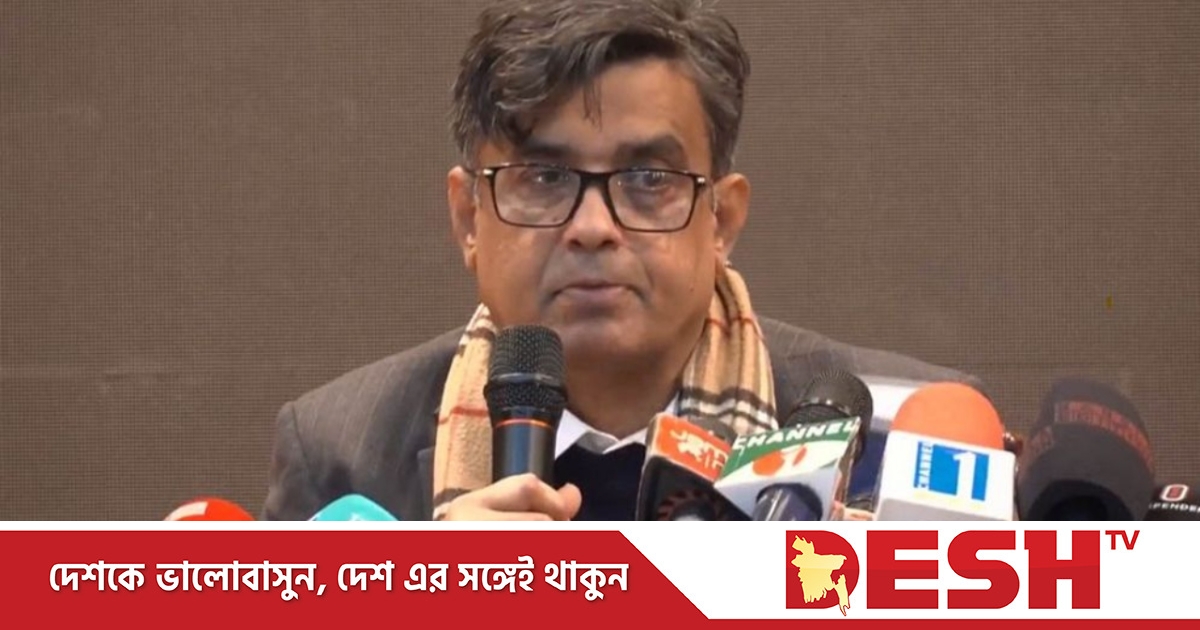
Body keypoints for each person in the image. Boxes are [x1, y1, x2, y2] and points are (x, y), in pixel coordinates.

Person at [262, 0, 979, 521]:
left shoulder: (909, 443)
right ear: (468, 218)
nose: (593, 228)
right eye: (544, 178)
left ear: (722, 219)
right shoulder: (343, 455)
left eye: (647, 179)